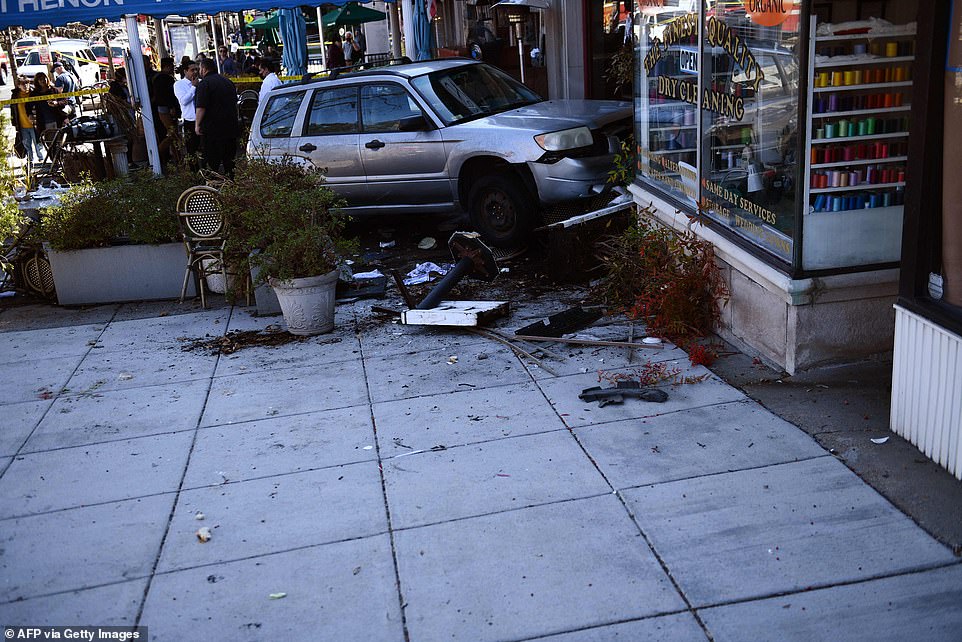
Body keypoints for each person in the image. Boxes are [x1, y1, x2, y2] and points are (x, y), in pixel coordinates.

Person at [195, 57, 240, 176]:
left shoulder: (204, 84)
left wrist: (197, 124)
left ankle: (214, 188)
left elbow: (201, 107)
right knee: (229, 162)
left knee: (212, 162)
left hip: (212, 130)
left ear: (203, 69)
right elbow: (235, 103)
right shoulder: (227, 82)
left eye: (199, 68)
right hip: (230, 127)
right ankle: (231, 185)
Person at [152, 57, 179, 165]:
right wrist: (171, 107)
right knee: (173, 134)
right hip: (165, 109)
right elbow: (167, 96)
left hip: (161, 109)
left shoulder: (156, 77)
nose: (173, 68)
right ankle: (157, 152)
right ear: (167, 66)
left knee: (172, 134)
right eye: (172, 66)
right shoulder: (166, 79)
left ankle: (176, 157)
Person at [10, 77, 43, 161]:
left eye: (27, 83)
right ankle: (30, 161)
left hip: (35, 124)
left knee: (38, 144)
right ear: (18, 86)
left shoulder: (34, 93)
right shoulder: (15, 96)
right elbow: (13, 110)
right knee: (26, 144)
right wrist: (14, 122)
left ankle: (41, 160)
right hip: (22, 125)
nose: (25, 86)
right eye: (23, 84)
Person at [174, 59, 200, 165]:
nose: (195, 72)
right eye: (192, 70)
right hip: (190, 119)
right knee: (192, 149)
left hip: (202, 118)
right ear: (185, 71)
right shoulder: (179, 85)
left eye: (196, 69)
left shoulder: (201, 82)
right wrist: (193, 87)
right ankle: (194, 173)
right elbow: (184, 101)